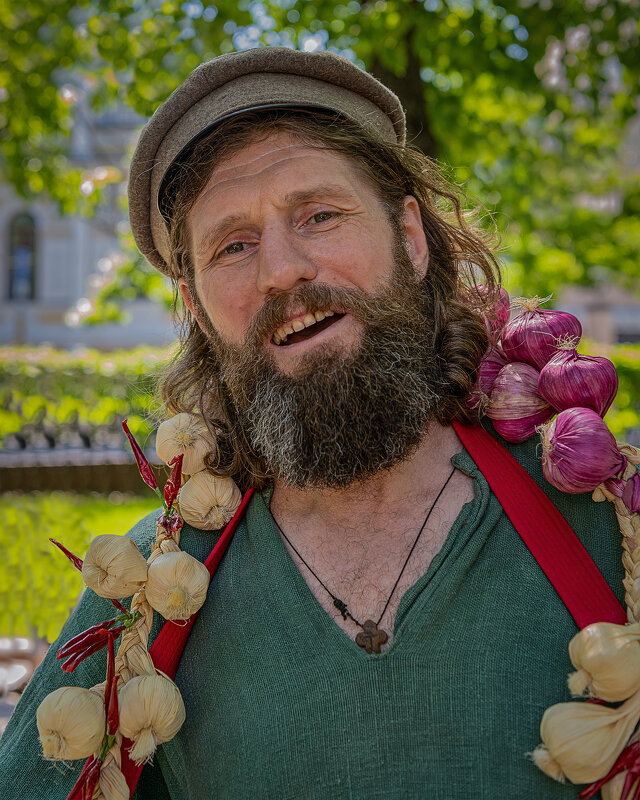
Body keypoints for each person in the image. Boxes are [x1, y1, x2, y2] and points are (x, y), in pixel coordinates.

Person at [0, 47, 626, 799]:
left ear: (412, 238)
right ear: (199, 310)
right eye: (233, 245)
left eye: (319, 215)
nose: (281, 269)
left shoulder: (612, 532)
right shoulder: (148, 596)